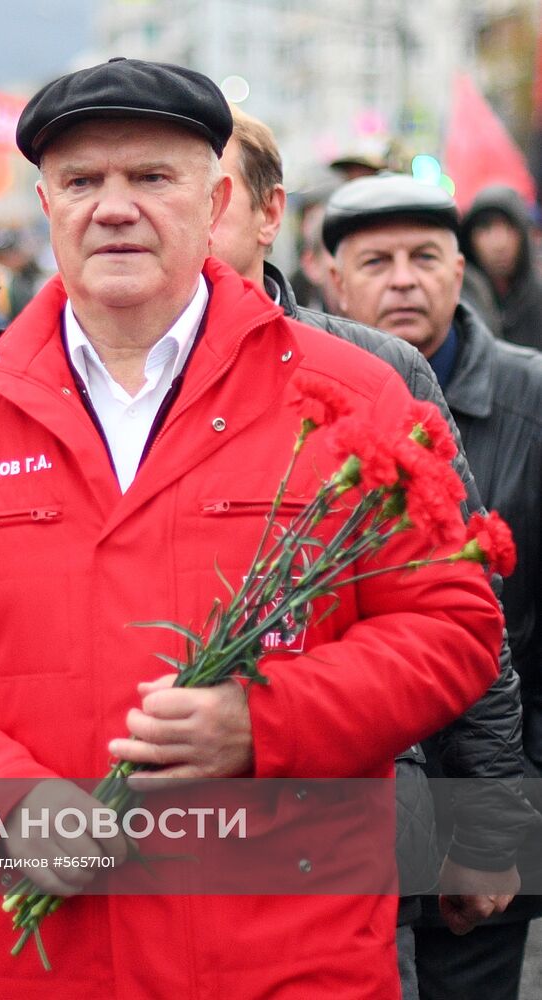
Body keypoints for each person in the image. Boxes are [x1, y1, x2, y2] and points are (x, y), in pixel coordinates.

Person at [0, 57, 503, 998]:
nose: (114, 207)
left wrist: (265, 724)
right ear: (45, 203)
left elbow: (453, 630)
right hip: (45, 961)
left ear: (217, 198)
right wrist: (5, 803)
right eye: (83, 182)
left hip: (291, 958)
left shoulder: (351, 397)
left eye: (151, 177)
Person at [213, 110, 538, 999]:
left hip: (351, 823)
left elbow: (464, 614)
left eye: (206, 189)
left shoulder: (369, 370)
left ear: (268, 213)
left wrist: (487, 824)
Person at [325, 172, 542, 1000]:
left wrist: (504, 809)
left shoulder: (530, 398)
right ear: (332, 280)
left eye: (425, 256)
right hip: (371, 802)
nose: (403, 279)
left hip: (501, 782)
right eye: (376, 261)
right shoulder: (312, 401)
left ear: (462, 271)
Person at [460, 185, 542, 352]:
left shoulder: (537, 299)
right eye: (486, 228)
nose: (499, 243)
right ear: (470, 238)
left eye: (510, 228)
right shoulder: (458, 304)